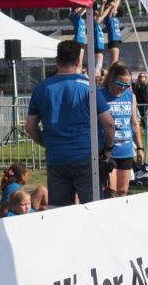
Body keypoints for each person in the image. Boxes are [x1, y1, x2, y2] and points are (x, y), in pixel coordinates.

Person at [26, 40, 115, 205]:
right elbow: (109, 123)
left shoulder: (41, 88)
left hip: (56, 157)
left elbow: (30, 127)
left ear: (56, 60)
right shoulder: (88, 86)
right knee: (94, 209)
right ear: (78, 61)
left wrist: (46, 142)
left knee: (60, 212)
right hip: (86, 156)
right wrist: (108, 148)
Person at [100, 62, 143, 196]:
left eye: (127, 85)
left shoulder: (130, 96)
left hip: (126, 150)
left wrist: (140, 148)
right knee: (110, 190)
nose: (123, 88)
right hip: (108, 150)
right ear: (112, 80)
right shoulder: (100, 95)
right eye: (120, 84)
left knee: (123, 191)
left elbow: (134, 123)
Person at [104, 0, 124, 65]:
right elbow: (113, 8)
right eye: (114, 10)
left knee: (115, 61)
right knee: (114, 61)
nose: (116, 10)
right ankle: (111, 71)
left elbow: (115, 6)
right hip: (113, 40)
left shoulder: (114, 18)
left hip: (116, 40)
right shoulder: (109, 18)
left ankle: (112, 70)